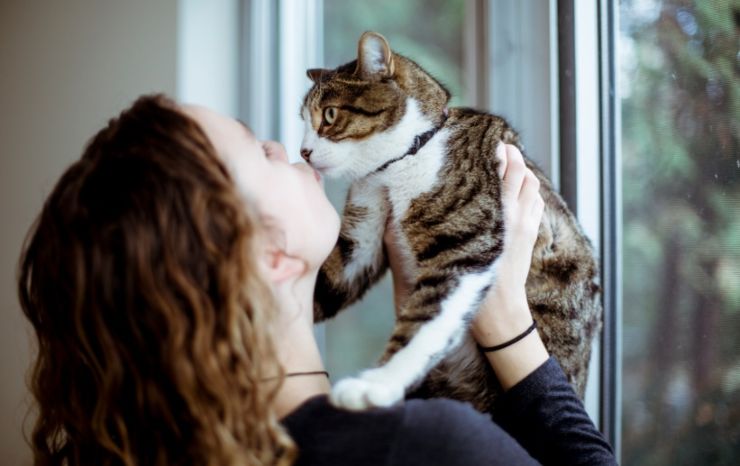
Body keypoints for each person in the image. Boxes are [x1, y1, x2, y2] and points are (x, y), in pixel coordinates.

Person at [18, 94, 616, 466]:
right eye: (259, 151)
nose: (283, 147)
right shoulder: (420, 447)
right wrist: (505, 320)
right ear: (273, 255)